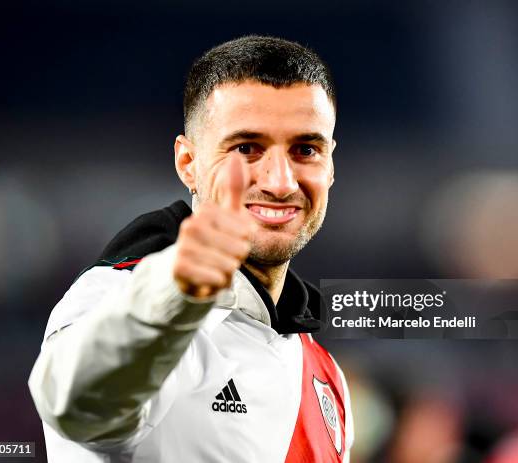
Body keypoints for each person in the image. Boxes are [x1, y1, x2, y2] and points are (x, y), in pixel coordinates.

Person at [28, 35, 354, 462]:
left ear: (330, 165)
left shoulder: (325, 373)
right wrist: (175, 291)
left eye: (305, 149)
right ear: (188, 163)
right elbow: (75, 406)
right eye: (246, 148)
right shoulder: (118, 298)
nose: (280, 182)